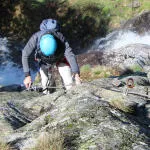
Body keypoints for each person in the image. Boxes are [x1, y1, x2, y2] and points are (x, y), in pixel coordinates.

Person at [22, 19, 81, 94]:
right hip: (44, 61)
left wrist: (76, 74)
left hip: (60, 58)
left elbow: (70, 55)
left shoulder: (60, 38)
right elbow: (25, 53)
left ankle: (69, 93)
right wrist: (27, 76)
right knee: (46, 86)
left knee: (69, 82)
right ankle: (49, 93)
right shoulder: (36, 37)